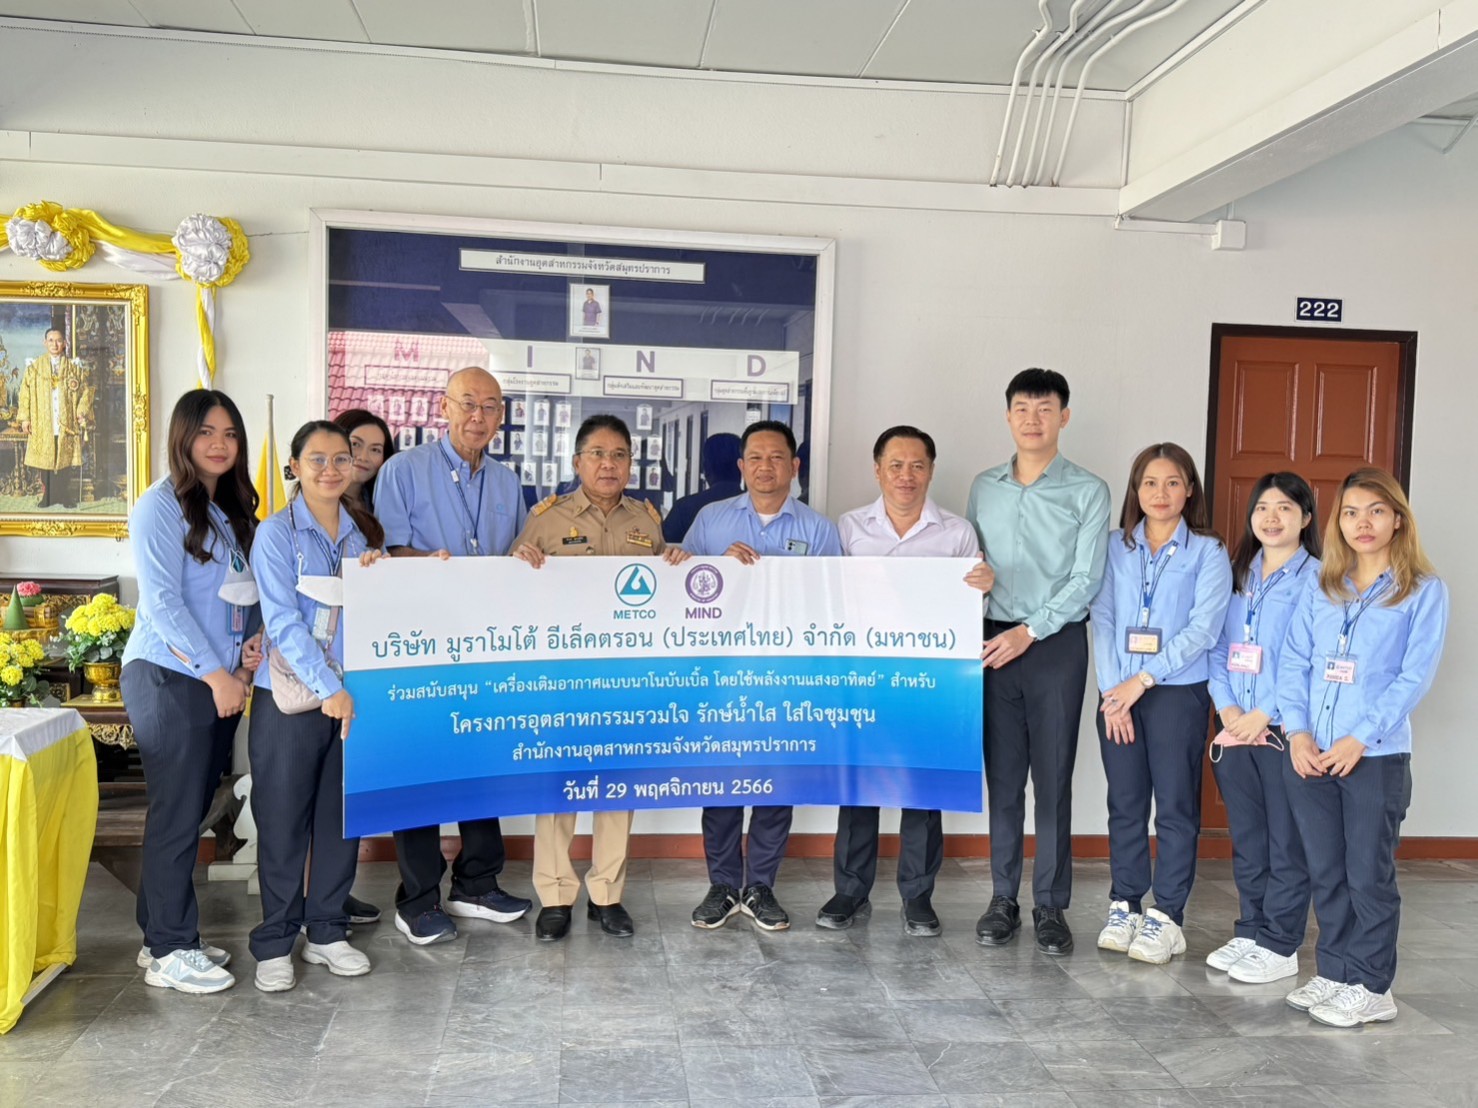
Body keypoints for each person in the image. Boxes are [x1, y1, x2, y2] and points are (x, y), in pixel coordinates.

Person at [1278, 468, 1448, 1027]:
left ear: (1398, 518)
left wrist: (1361, 737)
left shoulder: (1422, 590)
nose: (1362, 523)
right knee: (1326, 871)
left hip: (1374, 757)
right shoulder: (1321, 585)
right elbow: (1294, 662)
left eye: (1376, 511)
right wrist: (1298, 732)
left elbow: (1413, 677)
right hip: (1311, 753)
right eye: (1350, 512)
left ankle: (1373, 986)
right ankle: (1335, 971)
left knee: (1367, 875)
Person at [373, 367, 533, 944]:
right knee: (422, 766)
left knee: (480, 762)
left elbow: (517, 556)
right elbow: (388, 552)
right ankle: (417, 899)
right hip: (421, 645)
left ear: (501, 417)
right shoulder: (403, 470)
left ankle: (477, 884)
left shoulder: (508, 482)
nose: (478, 416)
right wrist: (435, 567)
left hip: (486, 645)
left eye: (490, 407)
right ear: (444, 407)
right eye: (468, 403)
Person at [818, 426, 993, 937]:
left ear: (931, 471)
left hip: (930, 681)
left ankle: (918, 895)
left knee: (922, 785)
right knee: (859, 785)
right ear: (878, 471)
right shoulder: (849, 527)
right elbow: (829, 596)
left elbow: (970, 609)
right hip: (863, 676)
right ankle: (851, 891)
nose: (906, 475)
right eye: (895, 465)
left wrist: (984, 587)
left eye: (917, 465)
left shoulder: (957, 533)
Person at [511, 415, 676, 942]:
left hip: (625, 680)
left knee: (617, 788)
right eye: (598, 455)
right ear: (577, 462)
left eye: (619, 455)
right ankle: (556, 895)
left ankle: (607, 894)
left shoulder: (647, 521)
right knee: (557, 788)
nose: (609, 464)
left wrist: (675, 560)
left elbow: (663, 598)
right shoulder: (546, 519)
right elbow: (512, 590)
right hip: (563, 677)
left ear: (630, 463)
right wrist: (517, 563)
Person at [120, 390, 262, 994]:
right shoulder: (159, 505)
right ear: (182, 436)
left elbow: (237, 596)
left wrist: (246, 655)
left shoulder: (225, 509)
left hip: (217, 681)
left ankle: (159, 934)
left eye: (230, 433)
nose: (219, 444)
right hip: (170, 676)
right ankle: (171, 949)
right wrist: (215, 673)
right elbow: (162, 603)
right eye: (206, 431)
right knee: (177, 814)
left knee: (189, 810)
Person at [966, 368, 1110, 956]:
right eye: (1022, 408)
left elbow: (1087, 578)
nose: (1033, 419)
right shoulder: (984, 486)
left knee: (1051, 779)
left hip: (1054, 645)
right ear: (1008, 416)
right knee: (1003, 779)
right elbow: (970, 558)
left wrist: (1031, 630)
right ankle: (1003, 898)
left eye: (1045, 409)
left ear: (1064, 417)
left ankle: (1050, 904)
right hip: (992, 643)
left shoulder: (1089, 490)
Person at [682, 420, 843, 932]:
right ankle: (723, 885)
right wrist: (717, 566)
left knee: (777, 782)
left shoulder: (819, 530)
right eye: (755, 457)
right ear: (741, 466)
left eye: (776, 457)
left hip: (787, 678)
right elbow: (683, 591)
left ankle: (761, 886)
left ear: (794, 466)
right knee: (721, 783)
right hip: (721, 675)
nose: (765, 466)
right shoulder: (710, 521)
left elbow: (832, 603)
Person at [248, 421, 383, 992]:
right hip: (292, 700)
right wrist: (328, 687)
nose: (331, 469)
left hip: (353, 699)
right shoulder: (276, 535)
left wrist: (388, 578)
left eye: (341, 458)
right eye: (317, 459)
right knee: (282, 823)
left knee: (340, 819)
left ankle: (327, 931)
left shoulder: (363, 536)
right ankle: (276, 942)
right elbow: (281, 622)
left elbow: (381, 613)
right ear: (295, 467)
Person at [1089, 443, 1231, 964]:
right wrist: (1114, 691)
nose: (1161, 493)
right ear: (1136, 489)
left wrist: (1142, 681)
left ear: (1189, 490)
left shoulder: (1208, 552)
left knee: (1174, 806)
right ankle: (1125, 903)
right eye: (1150, 482)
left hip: (1175, 692)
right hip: (1117, 695)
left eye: (1173, 482)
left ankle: (1167, 915)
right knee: (1125, 803)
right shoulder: (1115, 546)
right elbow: (1103, 616)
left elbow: (1204, 630)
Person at [1205, 473, 1321, 984]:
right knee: (1249, 838)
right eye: (1262, 508)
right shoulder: (1237, 573)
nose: (1272, 518)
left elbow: (1311, 657)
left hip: (1283, 730)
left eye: (1285, 508)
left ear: (1306, 518)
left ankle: (1280, 942)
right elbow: (1216, 647)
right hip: (1235, 730)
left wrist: (1264, 711)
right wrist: (1228, 709)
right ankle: (1251, 929)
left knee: (1285, 842)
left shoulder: (1319, 578)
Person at [16, 326, 93, 508]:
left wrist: (81, 412)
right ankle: (48, 496)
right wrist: (25, 418)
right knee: (46, 460)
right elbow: (24, 393)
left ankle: (64, 495)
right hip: (43, 422)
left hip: (66, 423)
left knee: (65, 458)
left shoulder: (74, 368)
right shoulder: (34, 368)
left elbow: (86, 392)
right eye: (51, 340)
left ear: (64, 343)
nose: (54, 344)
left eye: (58, 340)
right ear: (45, 343)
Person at [662, 432, 742, 544]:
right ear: (743, 467)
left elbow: (664, 549)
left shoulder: (684, 508)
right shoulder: (760, 508)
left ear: (706, 467)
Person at [335, 408, 397, 512]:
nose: (363, 457)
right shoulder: (313, 502)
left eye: (375, 450)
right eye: (355, 444)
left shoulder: (382, 503)